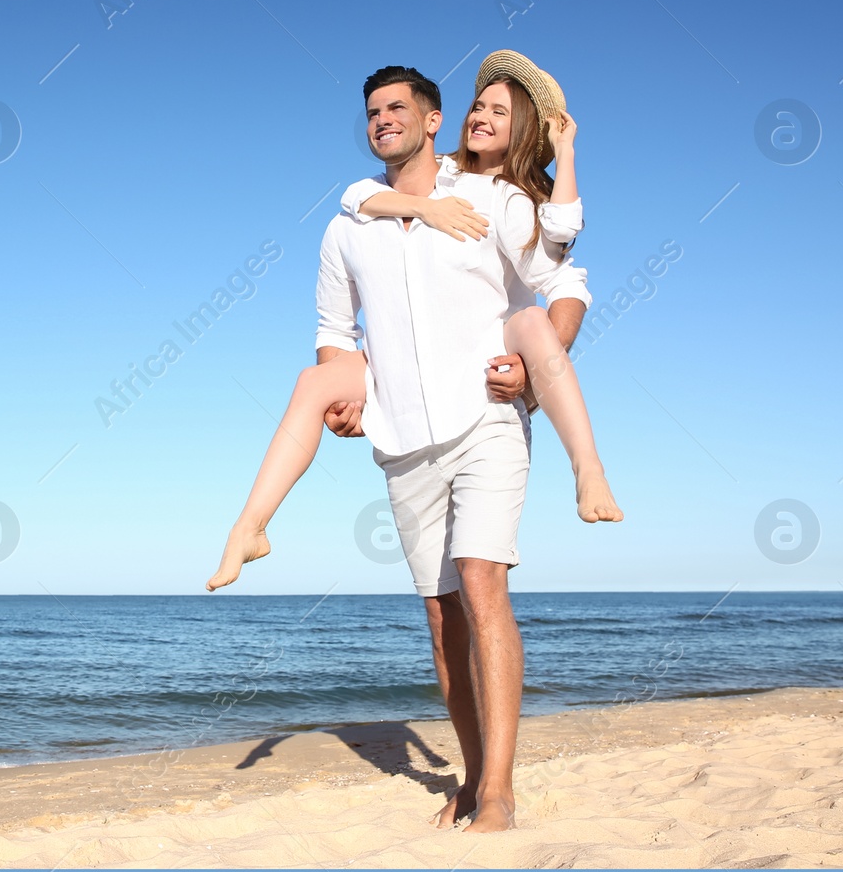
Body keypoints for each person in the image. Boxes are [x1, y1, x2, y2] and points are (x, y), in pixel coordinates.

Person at [207, 56, 618, 832]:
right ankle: (469, 772)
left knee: (482, 584)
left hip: (486, 421)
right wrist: (347, 398)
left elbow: (559, 275)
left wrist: (529, 369)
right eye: (372, 113)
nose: (382, 120)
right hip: (402, 442)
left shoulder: (490, 195)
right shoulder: (347, 225)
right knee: (441, 618)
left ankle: (497, 788)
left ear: (433, 119)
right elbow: (335, 336)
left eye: (398, 108)